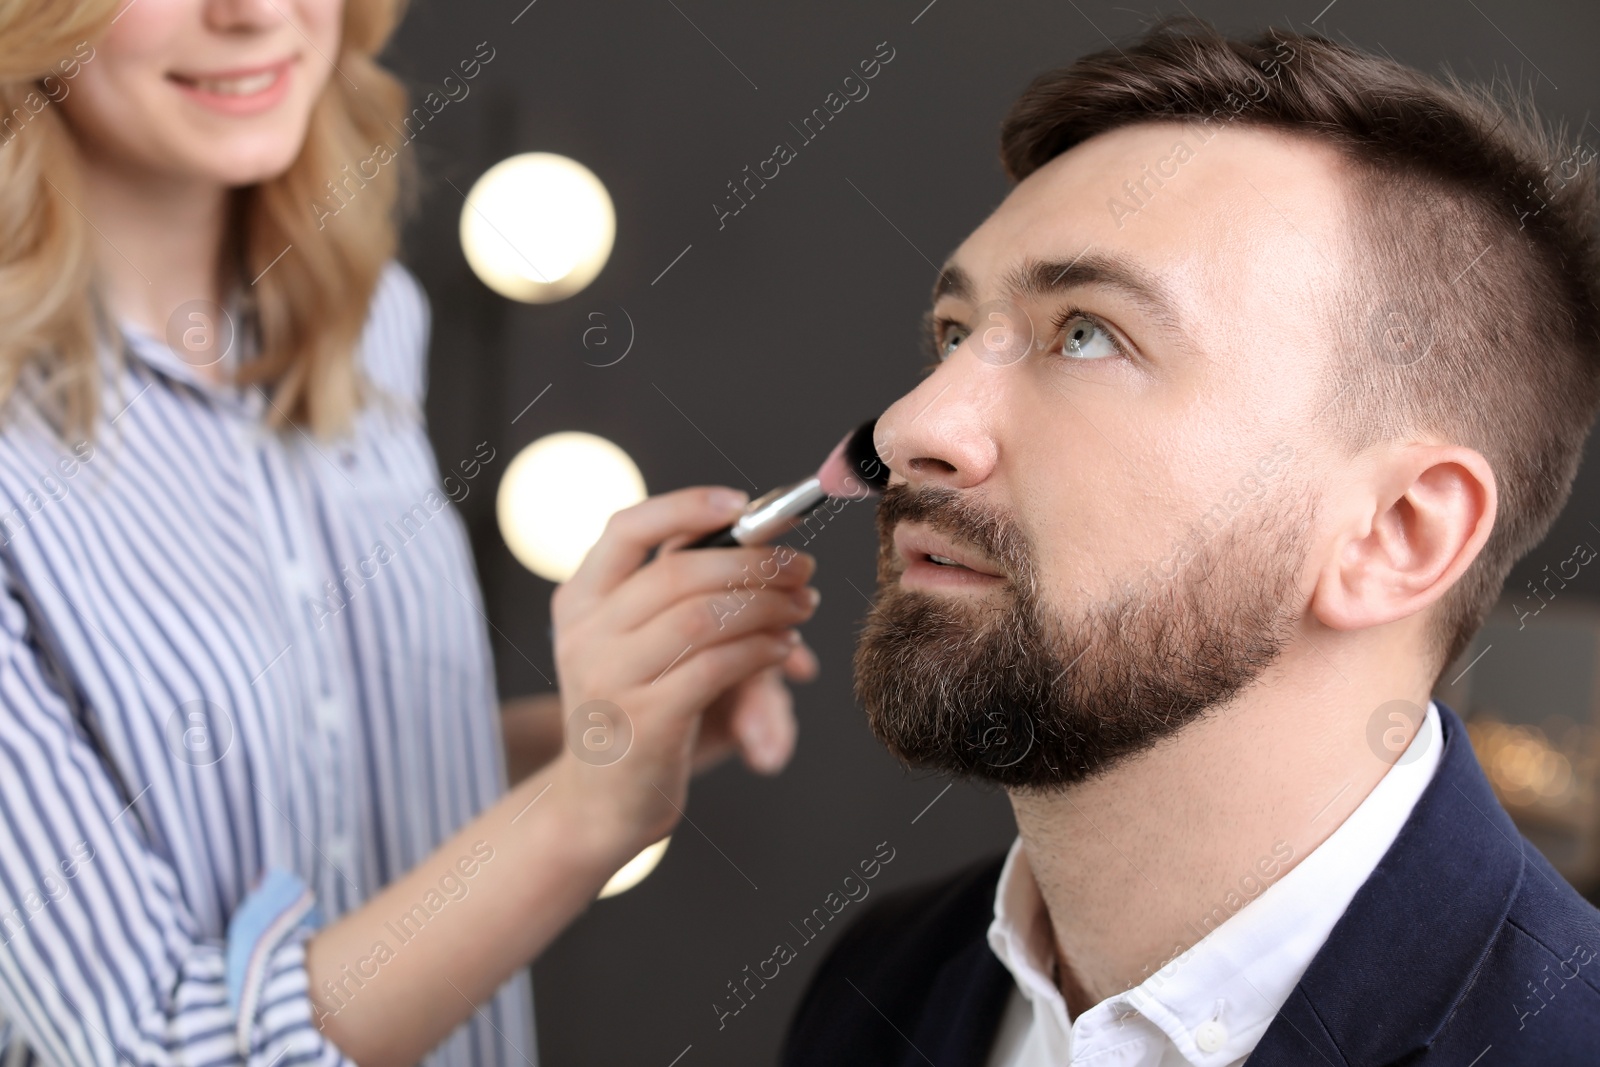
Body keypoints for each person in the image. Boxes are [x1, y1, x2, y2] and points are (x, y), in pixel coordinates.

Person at [0, 2, 820, 1066]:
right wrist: (580, 815)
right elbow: (160, 1047)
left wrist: (613, 717)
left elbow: (316, 772)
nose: (252, 13)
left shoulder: (368, 320)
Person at [782, 20, 1600, 1067]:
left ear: (1394, 534)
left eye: (1086, 332)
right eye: (953, 333)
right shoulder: (886, 982)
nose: (906, 427)